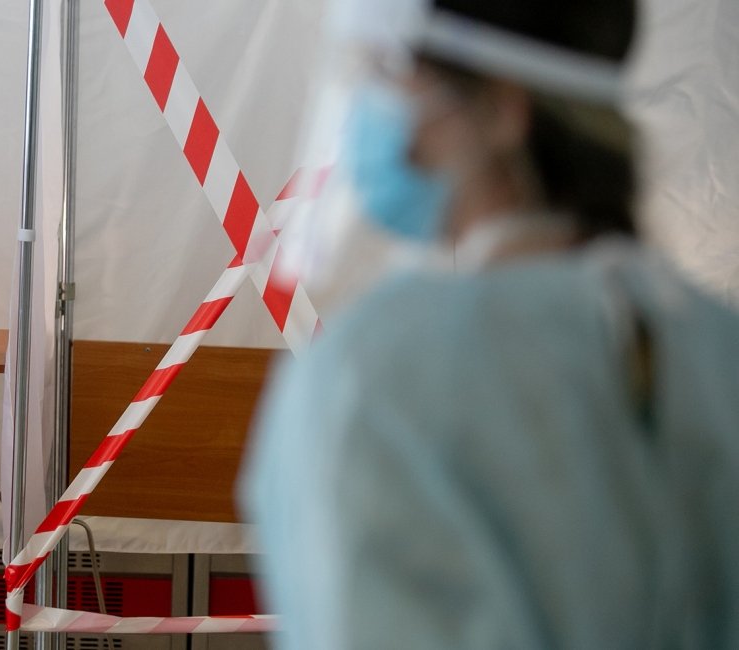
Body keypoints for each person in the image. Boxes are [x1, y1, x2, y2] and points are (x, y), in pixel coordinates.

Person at [241, 0, 739, 648]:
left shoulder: (378, 375)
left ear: (504, 111)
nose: (373, 105)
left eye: (392, 72)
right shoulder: (714, 350)